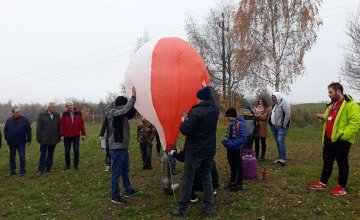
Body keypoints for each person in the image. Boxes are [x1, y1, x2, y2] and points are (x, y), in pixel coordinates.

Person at [170, 84, 219, 217]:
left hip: (195, 151)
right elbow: (211, 99)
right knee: (206, 177)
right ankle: (209, 207)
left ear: (201, 98)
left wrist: (183, 120)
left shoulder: (196, 111)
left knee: (188, 179)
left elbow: (185, 130)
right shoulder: (215, 109)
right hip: (209, 150)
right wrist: (206, 88)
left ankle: (182, 208)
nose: (196, 100)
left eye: (198, 98)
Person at [307, 82, 360, 196]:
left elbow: (355, 123)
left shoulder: (351, 105)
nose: (329, 95)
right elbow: (329, 118)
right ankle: (322, 183)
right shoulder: (332, 105)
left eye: (330, 92)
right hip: (328, 139)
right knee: (327, 162)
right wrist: (322, 117)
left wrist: (343, 135)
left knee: (342, 163)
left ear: (338, 91)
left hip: (342, 140)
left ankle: (341, 187)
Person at [106, 87, 138, 205]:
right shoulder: (113, 113)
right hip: (117, 147)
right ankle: (115, 195)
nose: (125, 108)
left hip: (123, 147)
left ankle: (128, 190)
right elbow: (125, 111)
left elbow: (129, 113)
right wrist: (133, 98)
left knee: (125, 170)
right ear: (121, 105)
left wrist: (136, 103)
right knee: (116, 172)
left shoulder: (121, 113)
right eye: (124, 105)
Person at [222, 107, 247, 192]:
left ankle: (239, 183)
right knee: (232, 164)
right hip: (230, 148)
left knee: (238, 165)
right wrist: (225, 142)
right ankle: (232, 182)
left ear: (231, 116)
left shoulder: (240, 124)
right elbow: (228, 135)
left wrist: (233, 144)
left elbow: (243, 137)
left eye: (227, 116)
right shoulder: (231, 124)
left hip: (236, 148)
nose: (227, 118)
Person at [4, 106, 32, 176]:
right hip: (12, 142)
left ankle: (22, 171)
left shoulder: (25, 120)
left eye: (19, 111)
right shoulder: (9, 120)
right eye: (17, 112)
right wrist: (7, 138)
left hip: (21, 142)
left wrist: (29, 140)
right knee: (12, 157)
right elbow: (5, 130)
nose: (19, 113)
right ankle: (12, 171)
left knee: (22, 156)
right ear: (13, 113)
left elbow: (29, 130)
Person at [60, 102, 86, 170]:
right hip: (67, 136)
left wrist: (83, 134)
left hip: (76, 135)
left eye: (70, 105)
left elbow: (82, 124)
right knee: (67, 151)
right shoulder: (64, 114)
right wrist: (62, 135)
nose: (70, 107)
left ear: (73, 105)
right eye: (68, 106)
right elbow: (62, 125)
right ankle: (67, 165)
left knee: (76, 150)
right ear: (66, 107)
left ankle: (76, 165)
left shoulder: (78, 113)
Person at [36, 102, 61, 174]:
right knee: (43, 154)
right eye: (54, 107)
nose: (55, 108)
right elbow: (39, 128)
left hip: (53, 139)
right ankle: (41, 169)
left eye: (55, 107)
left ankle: (48, 168)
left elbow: (59, 127)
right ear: (49, 108)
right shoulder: (42, 115)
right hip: (44, 139)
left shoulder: (57, 115)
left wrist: (59, 137)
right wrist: (38, 138)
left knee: (51, 154)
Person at [269, 92, 291, 166]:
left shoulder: (284, 103)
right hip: (274, 127)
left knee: (280, 140)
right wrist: (270, 123)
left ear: (278, 96)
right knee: (278, 142)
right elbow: (273, 114)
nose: (273, 99)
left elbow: (288, 114)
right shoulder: (275, 104)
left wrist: (284, 125)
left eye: (274, 97)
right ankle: (280, 157)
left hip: (282, 127)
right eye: (272, 97)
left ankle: (283, 158)